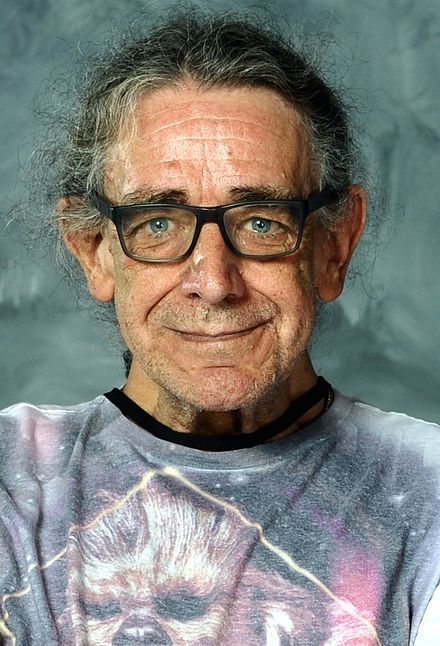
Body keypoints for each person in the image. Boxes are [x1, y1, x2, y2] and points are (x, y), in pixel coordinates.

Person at [1, 7, 439, 645]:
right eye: (158, 223)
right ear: (94, 250)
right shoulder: (13, 479)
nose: (213, 281)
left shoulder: (426, 489)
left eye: (262, 221)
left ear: (335, 245)